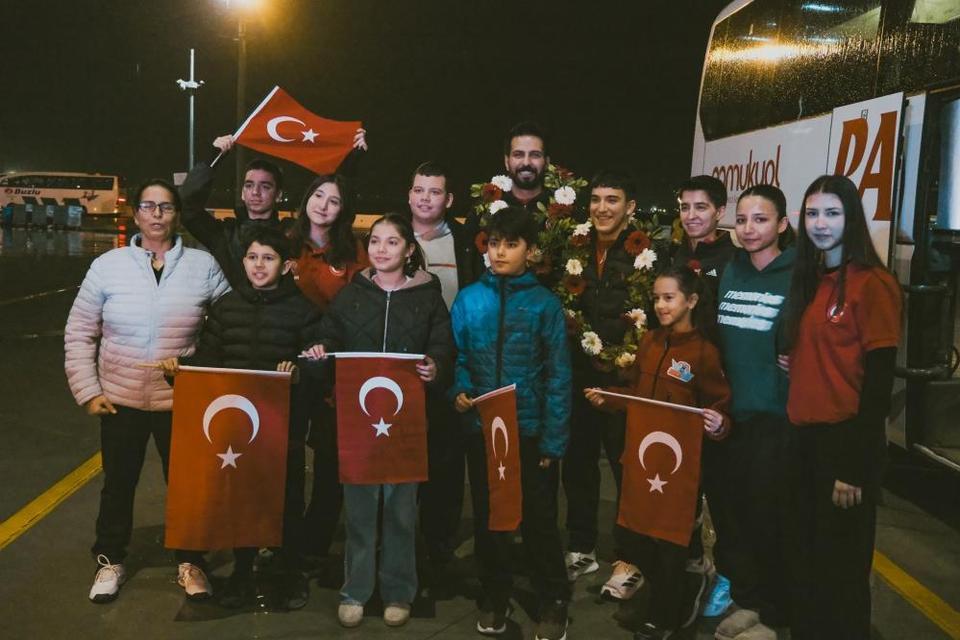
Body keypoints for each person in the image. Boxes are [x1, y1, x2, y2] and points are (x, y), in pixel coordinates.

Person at [64, 179, 228, 604]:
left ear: (177, 216)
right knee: (118, 483)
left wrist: (195, 365)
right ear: (136, 214)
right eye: (149, 206)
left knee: (187, 485)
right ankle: (110, 559)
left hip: (182, 401)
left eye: (167, 207)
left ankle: (191, 561)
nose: (157, 214)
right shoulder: (109, 265)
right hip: (120, 398)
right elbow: (81, 331)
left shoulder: (202, 265)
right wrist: (87, 390)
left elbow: (228, 328)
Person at [156, 225, 322, 610]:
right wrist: (178, 369)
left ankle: (286, 575)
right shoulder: (227, 308)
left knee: (285, 502)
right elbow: (209, 358)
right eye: (252, 257)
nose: (259, 265)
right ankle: (242, 573)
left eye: (268, 258)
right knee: (240, 501)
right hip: (237, 431)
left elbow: (319, 362)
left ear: (285, 266)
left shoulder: (304, 311)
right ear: (243, 262)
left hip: (284, 430)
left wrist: (299, 371)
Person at [303, 213, 454, 628]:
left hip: (406, 426)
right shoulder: (353, 295)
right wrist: (319, 350)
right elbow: (330, 335)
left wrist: (435, 367)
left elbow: (443, 345)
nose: (381, 249)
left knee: (402, 512)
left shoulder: (427, 297)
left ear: (408, 250)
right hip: (359, 425)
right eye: (375, 241)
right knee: (360, 512)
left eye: (391, 242)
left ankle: (399, 592)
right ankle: (356, 591)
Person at [585, 265, 731, 640]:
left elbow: (719, 404)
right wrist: (609, 401)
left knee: (669, 545)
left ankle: (666, 614)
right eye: (656, 298)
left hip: (677, 470)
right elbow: (635, 396)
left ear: (692, 301)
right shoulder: (649, 341)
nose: (661, 305)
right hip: (640, 461)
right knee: (633, 538)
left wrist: (720, 423)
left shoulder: (704, 352)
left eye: (669, 298)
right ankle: (681, 586)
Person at [784, 175, 901, 640]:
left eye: (832, 213)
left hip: (844, 446)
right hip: (802, 442)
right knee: (806, 561)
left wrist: (853, 465)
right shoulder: (810, 281)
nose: (820, 223)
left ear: (851, 218)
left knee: (842, 573)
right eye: (812, 213)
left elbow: (878, 384)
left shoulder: (874, 284)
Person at [451, 207, 572, 640]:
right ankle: (495, 593)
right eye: (494, 243)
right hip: (484, 430)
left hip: (530, 430)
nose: (500, 252)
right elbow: (459, 357)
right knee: (489, 516)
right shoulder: (469, 299)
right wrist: (460, 390)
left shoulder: (544, 304)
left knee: (538, 519)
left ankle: (553, 597)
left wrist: (553, 441)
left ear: (531, 251)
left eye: (511, 244)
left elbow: (559, 375)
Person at [712, 184, 797, 640]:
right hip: (732, 419)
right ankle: (748, 599)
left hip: (776, 420)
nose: (748, 229)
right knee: (736, 518)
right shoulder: (731, 270)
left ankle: (774, 614)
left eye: (760, 219)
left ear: (782, 224)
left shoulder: (798, 275)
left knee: (771, 522)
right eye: (742, 220)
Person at [561, 170, 641, 599]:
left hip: (622, 381)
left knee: (625, 466)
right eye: (595, 199)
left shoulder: (646, 252)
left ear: (629, 207)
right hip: (578, 374)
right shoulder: (575, 246)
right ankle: (580, 545)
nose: (602, 208)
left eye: (613, 199)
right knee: (577, 465)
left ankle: (628, 556)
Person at [288, 172, 370, 562]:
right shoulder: (285, 243)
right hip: (285, 366)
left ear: (343, 210)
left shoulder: (353, 251)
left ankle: (313, 546)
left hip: (330, 370)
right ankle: (281, 538)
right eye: (317, 195)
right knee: (283, 456)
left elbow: (361, 307)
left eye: (333, 200)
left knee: (327, 459)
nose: (323, 204)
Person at [407, 161, 483, 574]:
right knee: (404, 455)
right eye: (419, 190)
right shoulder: (394, 237)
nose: (425, 198)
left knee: (447, 461)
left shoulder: (466, 241)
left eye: (434, 192)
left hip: (450, 363)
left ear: (448, 199)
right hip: (404, 365)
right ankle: (403, 539)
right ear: (409, 194)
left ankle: (439, 543)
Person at [178, 130, 366, 292]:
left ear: (278, 195)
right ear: (242, 192)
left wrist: (352, 159)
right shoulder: (224, 234)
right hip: (231, 322)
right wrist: (212, 159)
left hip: (281, 325)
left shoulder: (293, 233)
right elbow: (188, 208)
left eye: (265, 186)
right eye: (249, 185)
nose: (255, 192)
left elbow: (336, 213)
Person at [671, 175, 736, 296]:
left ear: (719, 212)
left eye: (700, 207)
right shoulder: (676, 253)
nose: (690, 216)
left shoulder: (734, 260)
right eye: (685, 208)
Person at [500, 121, 552, 212]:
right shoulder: (486, 210)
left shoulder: (564, 209)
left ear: (547, 163)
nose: (526, 163)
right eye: (518, 155)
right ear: (506, 162)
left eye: (535, 155)